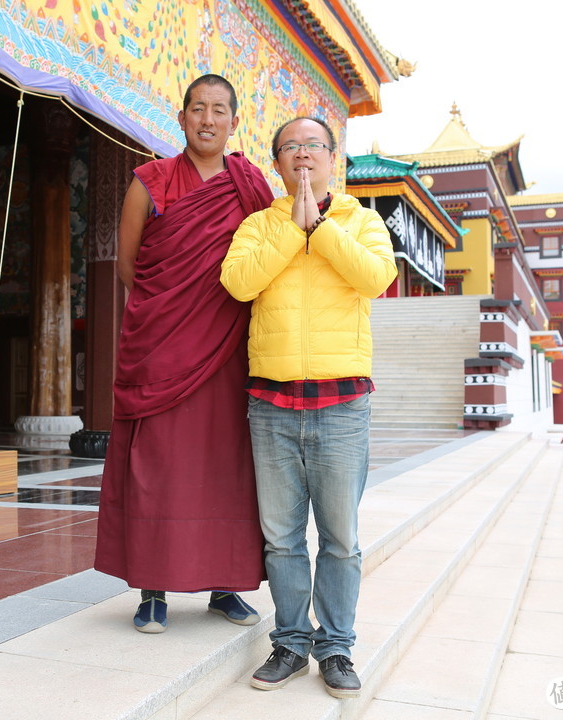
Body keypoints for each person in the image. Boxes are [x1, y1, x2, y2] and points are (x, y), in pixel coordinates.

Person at [220, 117, 397, 697]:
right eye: (290, 147)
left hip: (342, 404)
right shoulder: (258, 224)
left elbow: (375, 277)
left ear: (332, 158)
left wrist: (318, 227)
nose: (302, 154)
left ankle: (338, 647)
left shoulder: (361, 221)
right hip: (271, 404)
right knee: (282, 537)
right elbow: (239, 282)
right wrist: (290, 231)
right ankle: (292, 643)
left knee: (341, 537)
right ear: (276, 162)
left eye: (313, 145)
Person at [94, 74, 275, 633]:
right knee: (160, 464)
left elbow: (269, 255)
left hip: (227, 347)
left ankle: (225, 585)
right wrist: (170, 314)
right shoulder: (149, 183)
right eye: (198, 108)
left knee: (227, 464)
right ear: (181, 117)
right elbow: (129, 269)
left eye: (220, 109)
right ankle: (152, 589)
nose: (208, 119)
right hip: (165, 346)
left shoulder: (250, 184)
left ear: (234, 122)